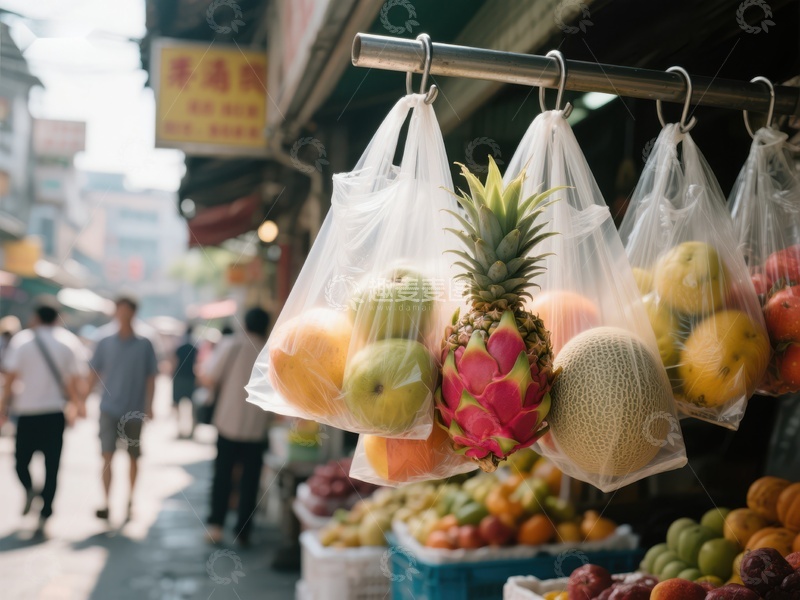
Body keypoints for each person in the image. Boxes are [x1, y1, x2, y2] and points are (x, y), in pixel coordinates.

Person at [0, 304, 84, 527]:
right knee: (52, 464)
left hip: (26, 413)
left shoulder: (23, 340)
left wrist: (2, 408)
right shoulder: (68, 342)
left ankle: (30, 490)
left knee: (20, 462)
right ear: (57, 318)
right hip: (55, 414)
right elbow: (75, 380)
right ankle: (46, 508)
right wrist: (77, 407)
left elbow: (9, 379)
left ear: (36, 317)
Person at [202, 308, 271, 546]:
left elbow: (210, 377)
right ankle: (244, 531)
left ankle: (216, 525)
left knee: (223, 475)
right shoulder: (272, 351)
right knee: (250, 481)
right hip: (257, 426)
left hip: (228, 421)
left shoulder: (232, 345)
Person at [86, 296, 157, 521]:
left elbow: (151, 377)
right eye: (120, 310)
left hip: (134, 410)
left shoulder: (145, 343)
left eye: (127, 311)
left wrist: (150, 405)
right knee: (107, 456)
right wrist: (80, 401)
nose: (123, 315)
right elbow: (93, 372)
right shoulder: (104, 340)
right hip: (108, 408)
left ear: (134, 313)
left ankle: (129, 500)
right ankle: (106, 502)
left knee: (133, 457)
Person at [172, 324, 197, 438]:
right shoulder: (195, 348)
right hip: (190, 378)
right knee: (192, 405)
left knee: (177, 405)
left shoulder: (179, 347)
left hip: (179, 377)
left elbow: (174, 363)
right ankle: (192, 429)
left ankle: (178, 429)